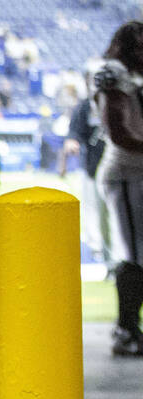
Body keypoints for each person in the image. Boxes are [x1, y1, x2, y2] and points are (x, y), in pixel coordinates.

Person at [91, 21, 143, 357]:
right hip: (126, 173)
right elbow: (119, 131)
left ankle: (130, 327)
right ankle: (126, 329)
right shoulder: (113, 72)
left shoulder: (130, 73)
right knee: (134, 254)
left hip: (137, 172)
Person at [61, 76, 110, 266]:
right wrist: (72, 141)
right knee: (93, 208)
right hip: (93, 167)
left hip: (120, 168)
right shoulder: (85, 106)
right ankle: (97, 247)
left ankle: (115, 251)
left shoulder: (122, 103)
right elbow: (74, 131)